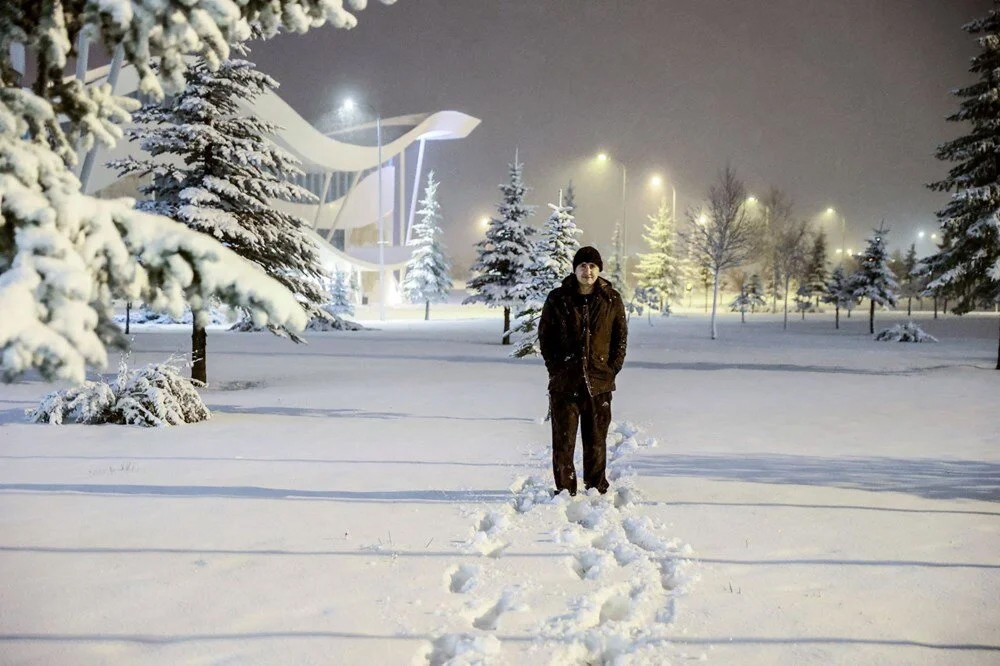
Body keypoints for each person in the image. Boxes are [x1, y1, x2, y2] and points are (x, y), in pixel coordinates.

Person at [538, 246, 628, 496]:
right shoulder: (558, 298)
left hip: (599, 383)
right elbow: (545, 338)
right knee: (563, 442)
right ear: (575, 269)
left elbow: (620, 339)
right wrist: (556, 367)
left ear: (599, 270)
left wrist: (611, 370)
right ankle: (565, 490)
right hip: (564, 384)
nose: (587, 271)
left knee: (596, 441)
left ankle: (596, 487)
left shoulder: (612, 299)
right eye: (582, 266)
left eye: (592, 266)